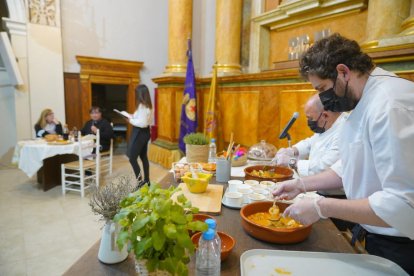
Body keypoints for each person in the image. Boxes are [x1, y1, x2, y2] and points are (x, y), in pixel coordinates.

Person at [272, 33, 414, 274]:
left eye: (323, 89)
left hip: (400, 244)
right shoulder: (361, 99)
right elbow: (349, 167)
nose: (324, 100)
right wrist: (301, 185)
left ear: (343, 72)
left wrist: (321, 206)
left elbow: (402, 203)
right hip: (373, 232)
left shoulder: (389, 105)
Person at [273, 94, 347, 179]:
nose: (309, 122)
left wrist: (292, 162)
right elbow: (311, 142)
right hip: (317, 185)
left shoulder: (344, 131)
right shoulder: (327, 124)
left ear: (325, 115)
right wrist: (292, 150)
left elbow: (324, 167)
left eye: (310, 118)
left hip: (332, 189)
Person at [126, 84, 152, 184]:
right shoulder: (148, 105)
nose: (135, 95)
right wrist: (133, 116)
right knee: (143, 157)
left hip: (139, 132)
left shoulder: (142, 106)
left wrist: (130, 120)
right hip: (145, 133)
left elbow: (143, 123)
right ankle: (147, 181)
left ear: (140, 94)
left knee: (132, 158)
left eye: (136, 93)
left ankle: (140, 182)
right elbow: (143, 119)